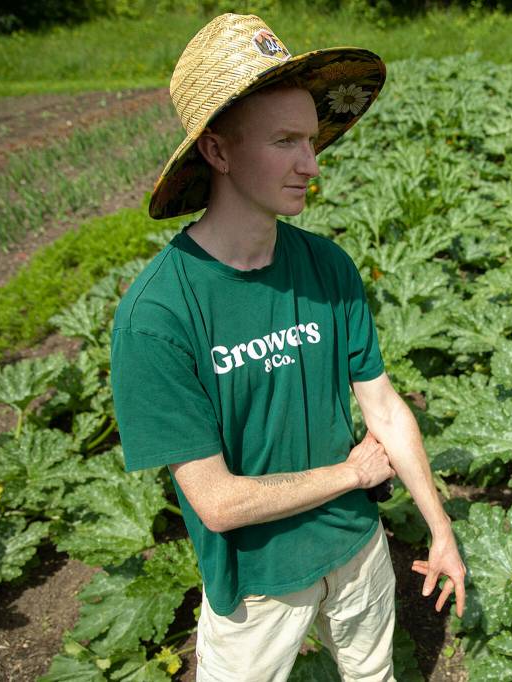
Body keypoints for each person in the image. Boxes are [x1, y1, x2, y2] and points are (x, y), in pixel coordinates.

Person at [109, 13, 465, 682]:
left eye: (312, 140)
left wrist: (439, 528)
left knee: (373, 674)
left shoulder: (327, 266)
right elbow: (216, 501)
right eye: (285, 142)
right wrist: (352, 476)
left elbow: (384, 407)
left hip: (358, 550)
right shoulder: (157, 315)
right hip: (258, 584)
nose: (312, 164)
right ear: (216, 151)